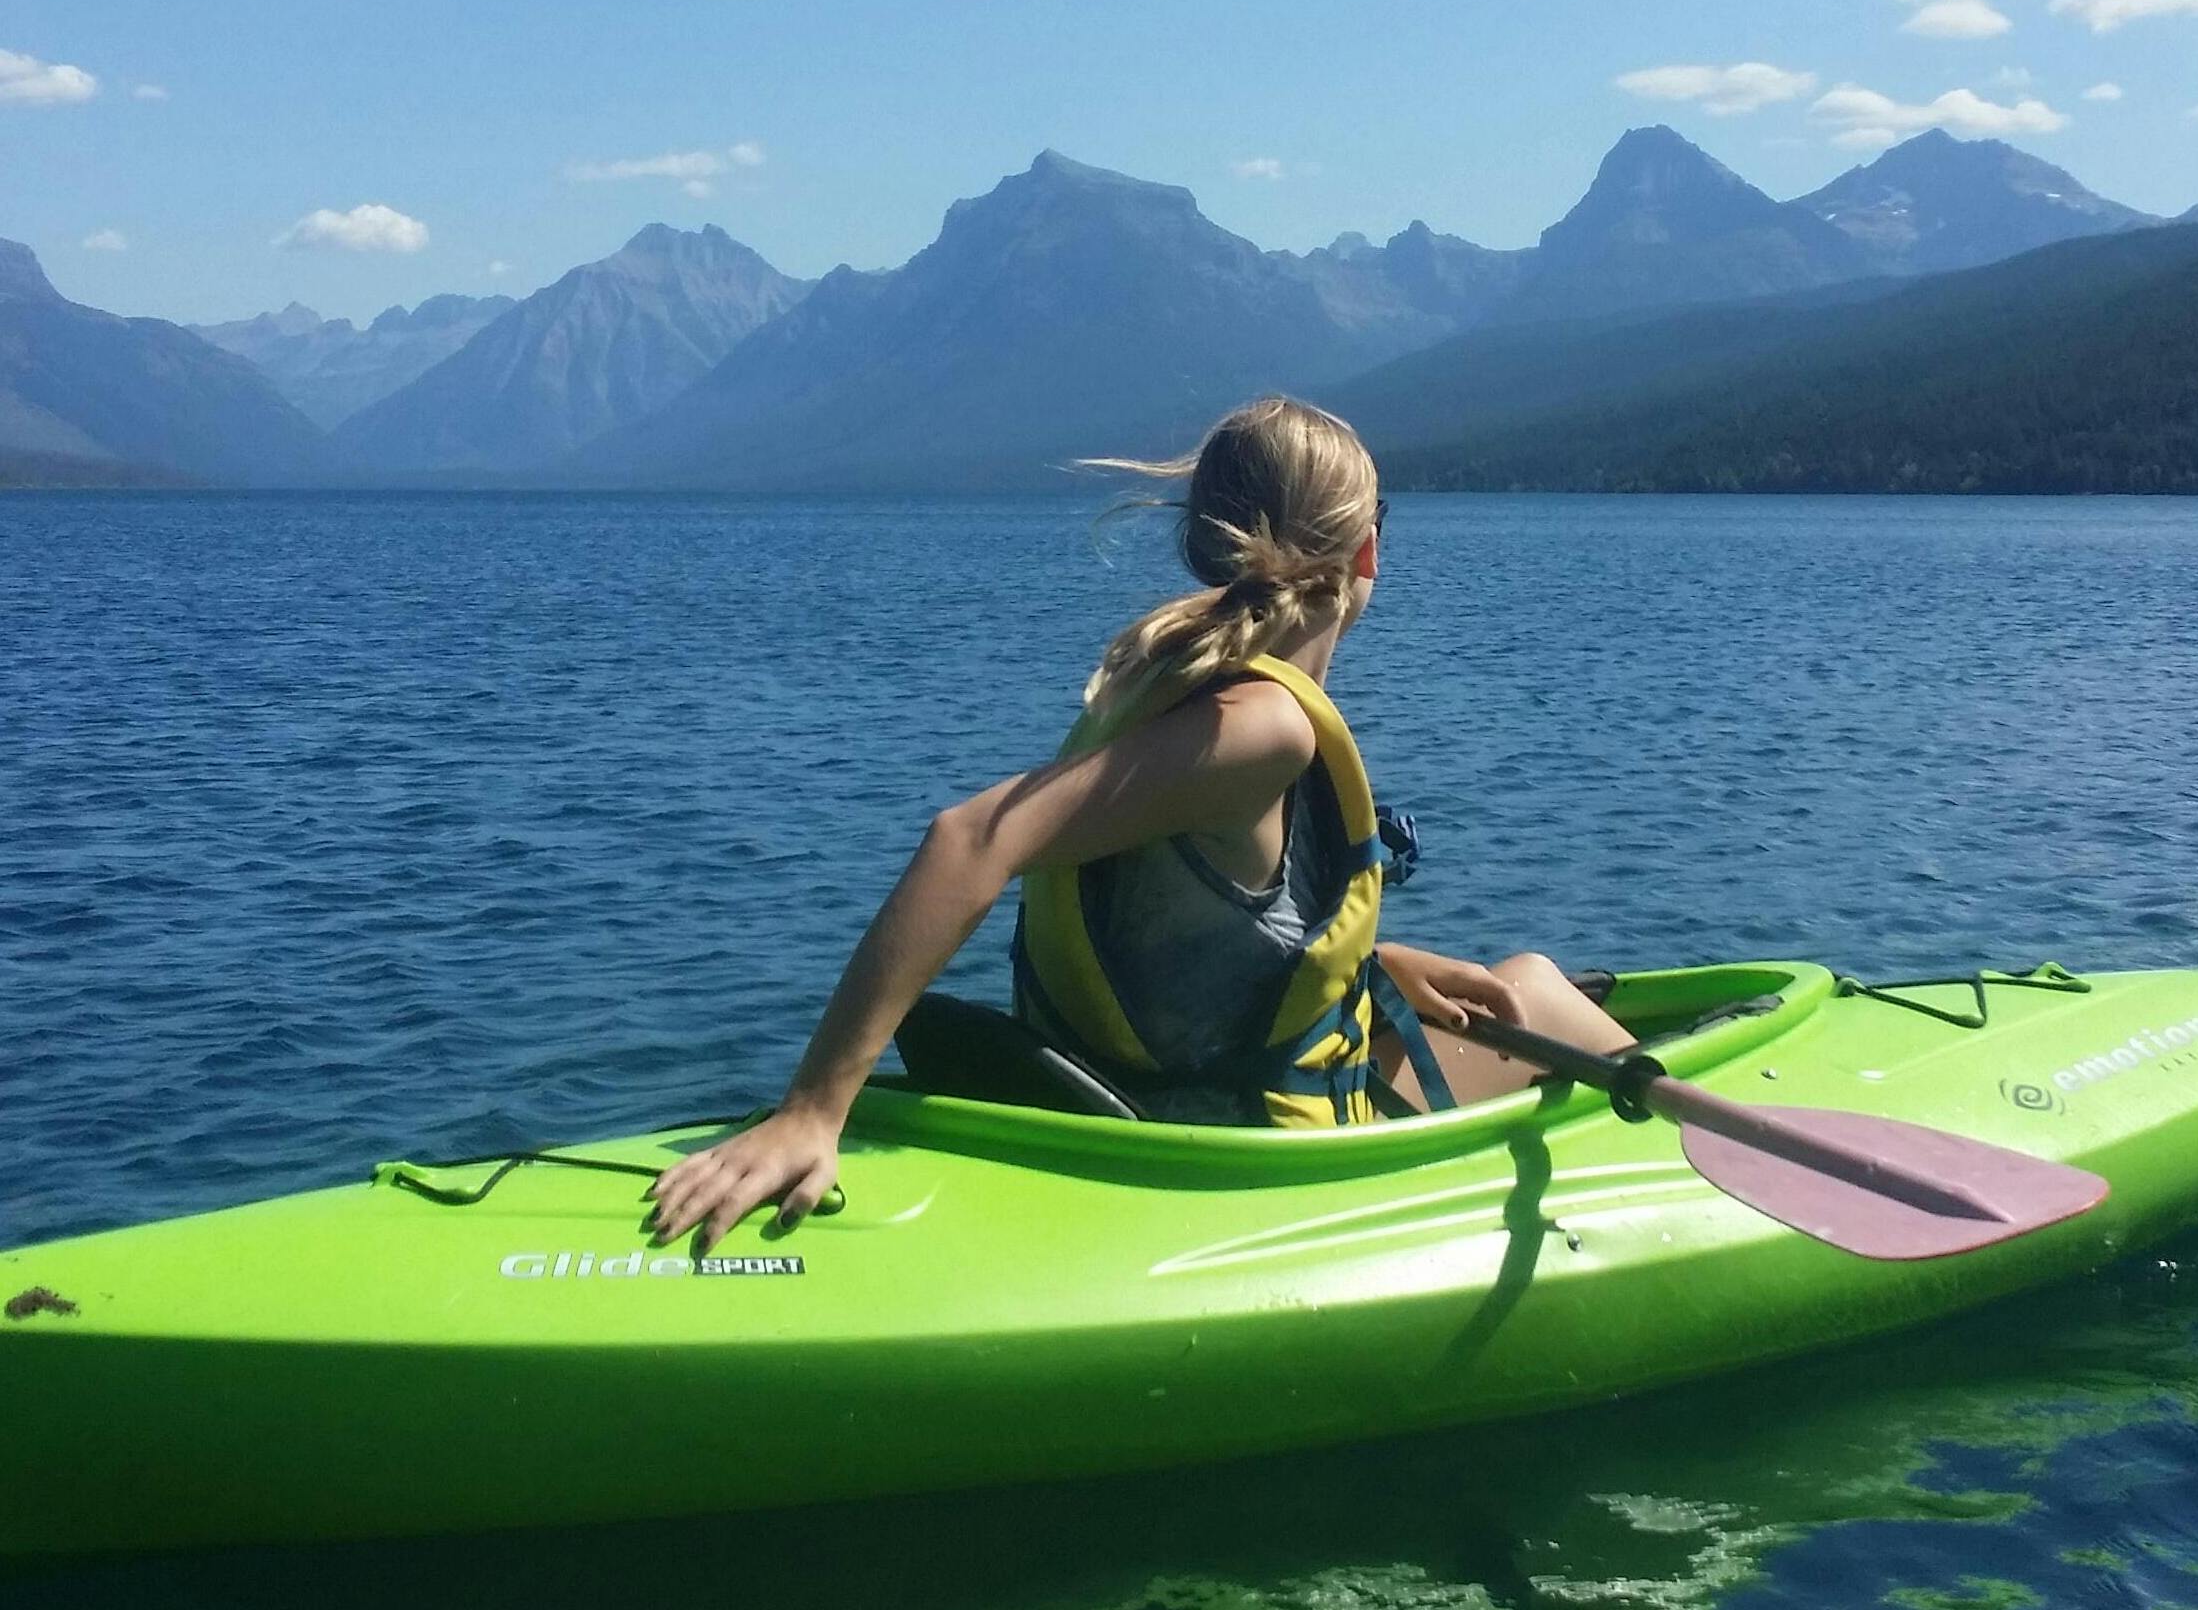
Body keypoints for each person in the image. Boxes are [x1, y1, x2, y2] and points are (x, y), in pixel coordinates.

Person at [646, 395, 1635, 1248]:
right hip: (1225, 1151)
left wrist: (1377, 967)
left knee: (1499, 991)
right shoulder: (1267, 727)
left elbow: (1188, 934)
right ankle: (1720, 1205)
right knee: (1536, 992)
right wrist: (812, 1113)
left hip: (1159, 1092)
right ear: (1366, 548)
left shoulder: (1171, 681)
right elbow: (970, 840)